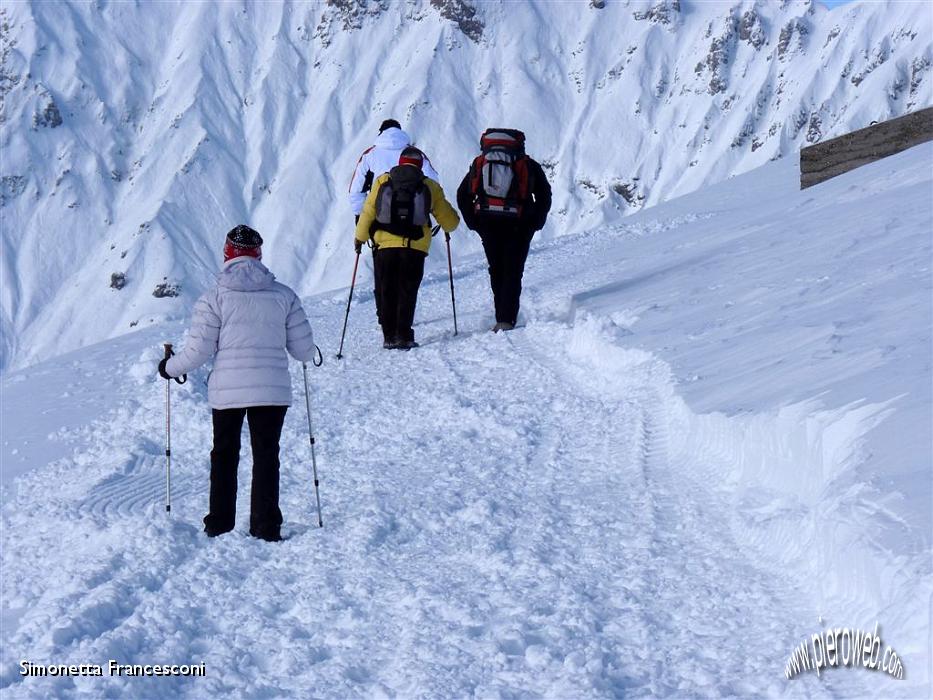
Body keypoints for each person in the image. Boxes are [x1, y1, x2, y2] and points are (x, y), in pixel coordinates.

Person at [158, 225, 316, 542]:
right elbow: (303, 351)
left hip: (227, 391)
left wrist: (168, 368)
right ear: (258, 254)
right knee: (267, 455)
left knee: (225, 455)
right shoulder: (284, 296)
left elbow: (198, 351)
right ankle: (266, 526)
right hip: (272, 391)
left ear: (227, 254)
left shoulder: (213, 298)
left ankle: (219, 524)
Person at [354, 147, 459, 349]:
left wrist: (359, 238)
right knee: (407, 291)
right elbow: (450, 223)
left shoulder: (383, 181)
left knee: (387, 290)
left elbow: (368, 211)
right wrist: (451, 221)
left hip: (384, 246)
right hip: (415, 248)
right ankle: (404, 336)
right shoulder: (429, 185)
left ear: (400, 162)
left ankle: (388, 336)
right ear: (420, 165)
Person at [456, 128, 551, 332]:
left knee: (496, 269)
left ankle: (501, 315)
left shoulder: (480, 163)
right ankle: (506, 319)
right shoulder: (527, 164)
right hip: (519, 224)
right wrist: (535, 222)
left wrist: (474, 222)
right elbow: (545, 195)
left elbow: (462, 195)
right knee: (513, 271)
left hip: (488, 222)